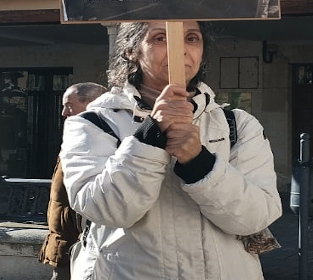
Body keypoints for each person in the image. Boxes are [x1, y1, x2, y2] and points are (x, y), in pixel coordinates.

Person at [60, 21, 281, 279]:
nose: (181, 49)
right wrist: (151, 135)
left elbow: (255, 218)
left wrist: (199, 163)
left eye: (192, 38)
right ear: (132, 50)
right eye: (160, 38)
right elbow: (107, 209)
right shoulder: (93, 124)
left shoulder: (238, 125)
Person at [39, 81, 107, 280]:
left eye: (69, 105)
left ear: (92, 104)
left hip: (82, 244)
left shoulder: (102, 141)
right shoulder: (76, 138)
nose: (63, 113)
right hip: (64, 241)